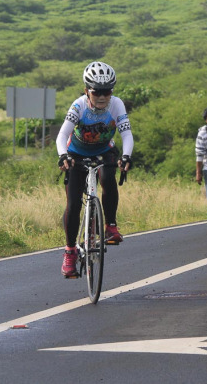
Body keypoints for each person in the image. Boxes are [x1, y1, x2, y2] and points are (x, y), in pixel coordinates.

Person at [56, 62, 133, 278]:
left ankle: (110, 226)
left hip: (104, 152)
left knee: (108, 178)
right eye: (96, 91)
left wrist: (126, 156)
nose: (102, 97)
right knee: (72, 204)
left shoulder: (116, 105)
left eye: (107, 91)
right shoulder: (78, 106)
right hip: (76, 154)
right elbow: (62, 136)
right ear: (86, 91)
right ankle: (70, 251)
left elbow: (126, 134)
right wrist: (63, 156)